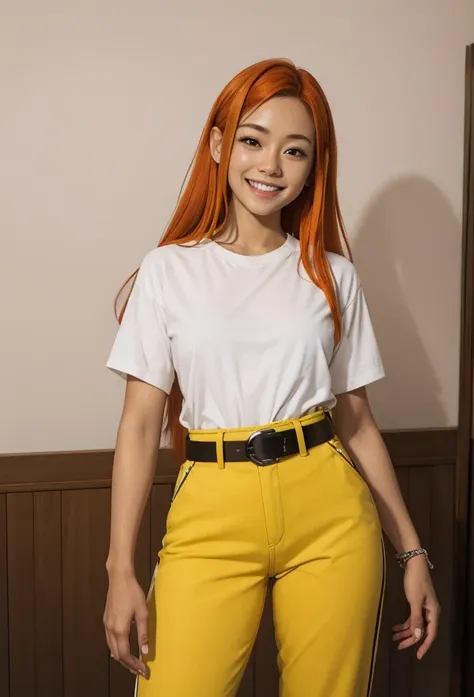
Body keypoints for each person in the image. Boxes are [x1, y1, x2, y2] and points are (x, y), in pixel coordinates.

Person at [103, 58, 440, 697]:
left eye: (295, 151)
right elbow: (140, 422)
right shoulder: (168, 271)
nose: (270, 166)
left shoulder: (331, 275)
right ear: (218, 144)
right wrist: (120, 568)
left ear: (315, 166)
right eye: (253, 140)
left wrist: (413, 552)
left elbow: (358, 422)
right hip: (211, 508)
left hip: (331, 513)